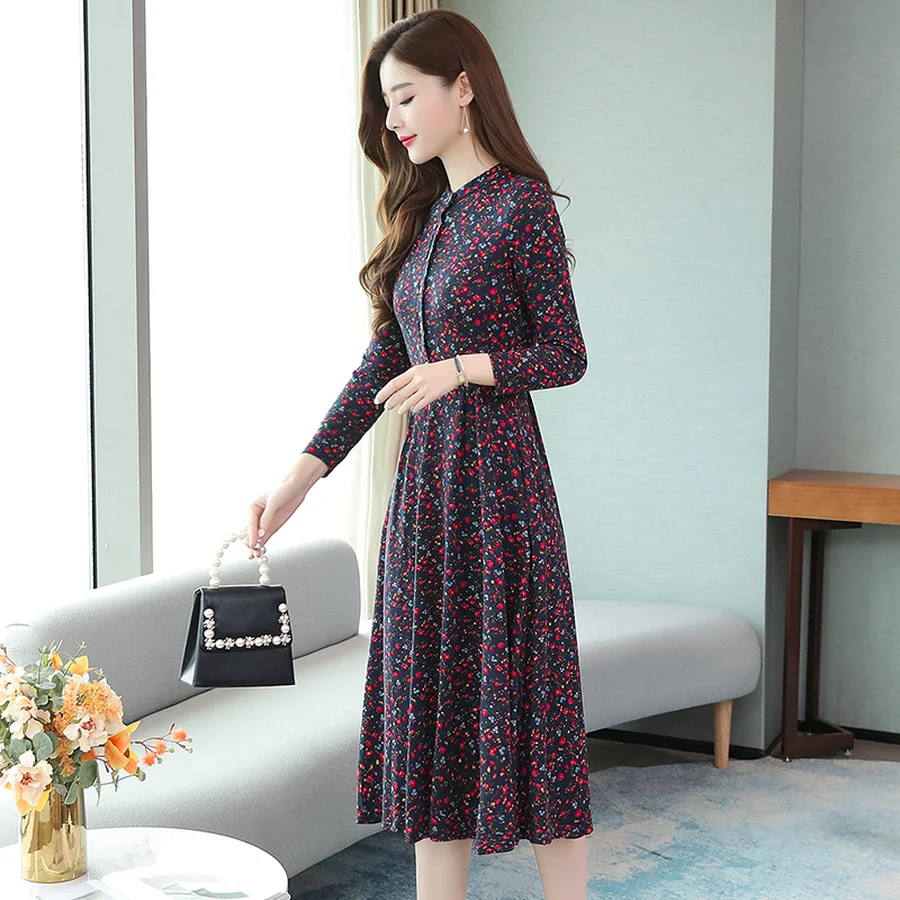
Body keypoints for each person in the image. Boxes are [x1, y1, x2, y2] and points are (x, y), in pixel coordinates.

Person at [244, 10, 591, 900]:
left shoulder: (520, 205)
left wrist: (464, 368)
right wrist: (301, 475)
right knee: (435, 725)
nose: (393, 118)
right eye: (385, 104)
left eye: (405, 97)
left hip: (501, 493)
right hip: (426, 501)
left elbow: (565, 353)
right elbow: (384, 365)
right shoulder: (426, 215)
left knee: (532, 718)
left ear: (462, 87)